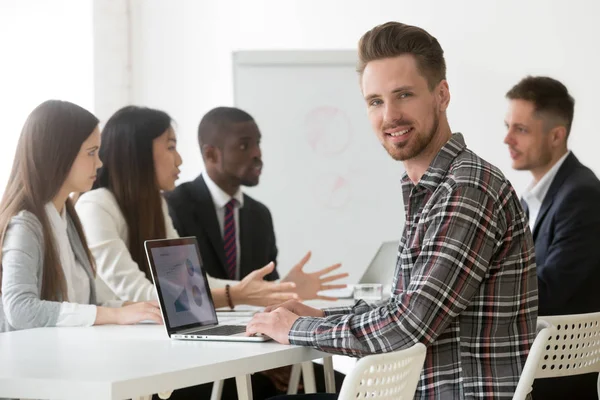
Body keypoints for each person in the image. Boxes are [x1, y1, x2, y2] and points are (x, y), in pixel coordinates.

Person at [245, 21, 538, 399]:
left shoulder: (466, 189)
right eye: (376, 101)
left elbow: (408, 327)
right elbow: (405, 307)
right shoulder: (433, 187)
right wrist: (318, 316)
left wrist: (294, 329)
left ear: (442, 95)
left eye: (404, 95)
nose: (389, 116)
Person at [75, 105, 299, 400]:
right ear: (138, 152)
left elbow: (190, 279)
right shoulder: (95, 206)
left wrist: (258, 290)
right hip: (116, 364)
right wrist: (238, 294)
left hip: (154, 353)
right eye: (170, 147)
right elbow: (138, 293)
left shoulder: (157, 207)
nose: (179, 159)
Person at [0, 100, 161, 333]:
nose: (99, 163)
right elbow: (20, 309)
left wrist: (139, 309)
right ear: (58, 155)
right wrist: (115, 314)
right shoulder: (24, 224)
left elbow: (80, 307)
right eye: (91, 153)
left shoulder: (67, 216)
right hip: (31, 363)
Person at [166, 106, 348, 301]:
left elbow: (265, 288)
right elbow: (179, 289)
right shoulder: (174, 206)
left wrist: (285, 289)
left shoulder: (260, 214)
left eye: (258, 144)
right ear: (211, 155)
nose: (257, 154)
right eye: (244, 146)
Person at [504, 76, 600, 399]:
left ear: (557, 135)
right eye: (508, 126)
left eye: (521, 129)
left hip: (554, 380)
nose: (507, 139)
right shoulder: (532, 199)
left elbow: (548, 293)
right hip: (528, 364)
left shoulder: (581, 196)